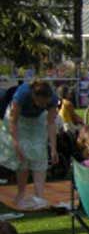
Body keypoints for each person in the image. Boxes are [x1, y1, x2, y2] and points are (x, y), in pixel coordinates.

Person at [0, 80, 59, 209]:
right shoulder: (22, 94)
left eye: (45, 103)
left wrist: (53, 148)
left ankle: (39, 196)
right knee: (23, 156)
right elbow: (13, 121)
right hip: (18, 120)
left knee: (40, 154)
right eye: (40, 102)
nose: (43, 105)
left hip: (37, 120)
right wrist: (16, 144)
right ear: (33, 96)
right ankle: (21, 194)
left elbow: (50, 123)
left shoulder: (53, 99)